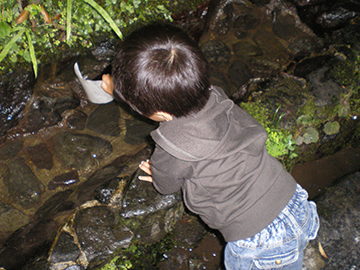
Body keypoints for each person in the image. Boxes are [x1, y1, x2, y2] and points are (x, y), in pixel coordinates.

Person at [101, 23, 320, 269]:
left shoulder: (172, 145)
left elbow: (166, 186)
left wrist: (156, 171)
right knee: (294, 251)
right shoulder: (215, 96)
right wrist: (118, 88)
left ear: (159, 114)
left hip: (258, 241)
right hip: (294, 200)